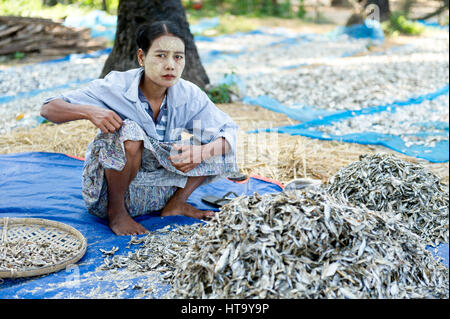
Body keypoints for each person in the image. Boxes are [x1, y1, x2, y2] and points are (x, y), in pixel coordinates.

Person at [40, 20, 239, 236]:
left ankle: (176, 204)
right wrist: (89, 112)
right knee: (130, 131)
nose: (170, 65)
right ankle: (118, 215)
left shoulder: (189, 94)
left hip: (159, 191)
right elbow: (49, 109)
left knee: (219, 145)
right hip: (111, 195)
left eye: (178, 57)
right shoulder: (115, 86)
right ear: (142, 57)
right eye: (161, 55)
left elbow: (228, 130)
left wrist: (201, 152)